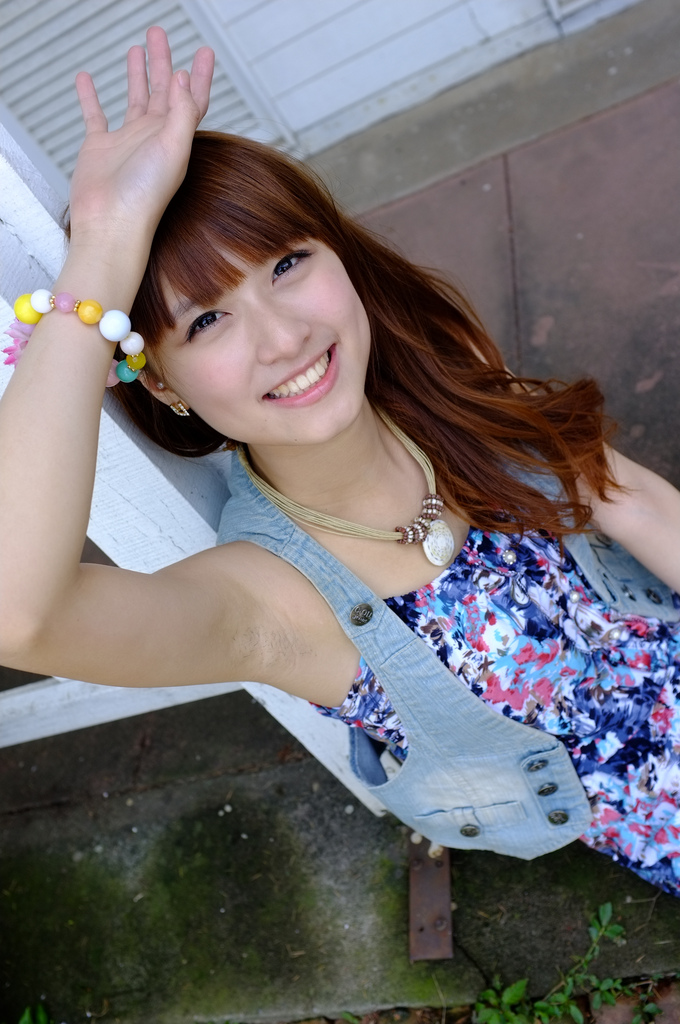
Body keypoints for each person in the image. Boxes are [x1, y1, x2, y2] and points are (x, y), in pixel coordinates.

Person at [1, 28, 679, 895]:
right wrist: (103, 245)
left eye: (287, 264)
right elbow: (19, 614)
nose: (285, 337)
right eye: (206, 320)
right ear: (162, 383)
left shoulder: (436, 379)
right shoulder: (273, 604)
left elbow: (631, 500)